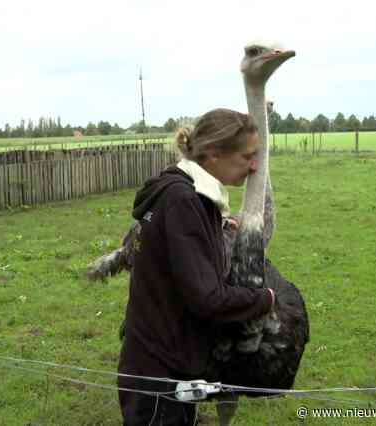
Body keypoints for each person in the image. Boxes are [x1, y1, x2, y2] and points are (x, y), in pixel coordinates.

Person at [117, 108, 275, 425]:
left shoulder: (178, 192)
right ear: (214, 154)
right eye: (246, 157)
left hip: (153, 359)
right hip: (161, 375)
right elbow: (208, 298)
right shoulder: (183, 202)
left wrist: (214, 225)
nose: (255, 166)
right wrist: (265, 299)